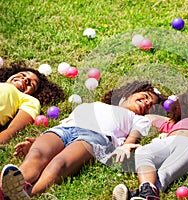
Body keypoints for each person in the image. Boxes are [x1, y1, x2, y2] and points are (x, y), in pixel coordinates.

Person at [0, 81, 163, 199]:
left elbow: (134, 134)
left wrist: (126, 145)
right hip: (63, 130)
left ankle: (27, 194)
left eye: (150, 104)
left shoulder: (138, 118)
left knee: (59, 164)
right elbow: (68, 121)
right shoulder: (95, 104)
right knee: (36, 154)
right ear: (130, 92)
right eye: (146, 96)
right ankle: (6, 190)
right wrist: (36, 141)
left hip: (94, 137)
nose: (147, 102)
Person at [0, 61, 65, 144]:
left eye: (31, 84)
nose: (25, 79)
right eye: (23, 75)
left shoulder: (30, 100)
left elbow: (13, 129)